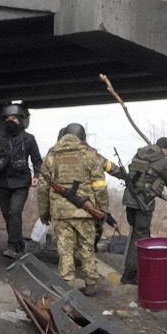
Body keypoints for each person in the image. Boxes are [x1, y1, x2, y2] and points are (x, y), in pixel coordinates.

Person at [38, 122, 110, 295]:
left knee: (65, 249)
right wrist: (103, 209)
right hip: (86, 211)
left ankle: (66, 285)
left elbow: (42, 187)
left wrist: (44, 212)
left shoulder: (52, 155)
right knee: (87, 247)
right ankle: (91, 283)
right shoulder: (90, 155)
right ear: (82, 137)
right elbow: (100, 186)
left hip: (61, 213)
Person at [0, 103, 42, 258]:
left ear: (21, 120)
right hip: (1, 183)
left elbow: (37, 161)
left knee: (15, 212)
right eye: (7, 118)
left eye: (13, 118)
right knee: (8, 215)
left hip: (21, 183)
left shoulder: (29, 139)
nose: (10, 121)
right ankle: (18, 243)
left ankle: (13, 246)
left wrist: (37, 176)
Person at [110, 136, 167, 280]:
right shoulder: (163, 162)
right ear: (164, 148)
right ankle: (133, 274)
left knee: (135, 234)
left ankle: (131, 271)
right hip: (143, 203)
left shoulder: (140, 153)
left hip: (129, 200)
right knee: (141, 239)